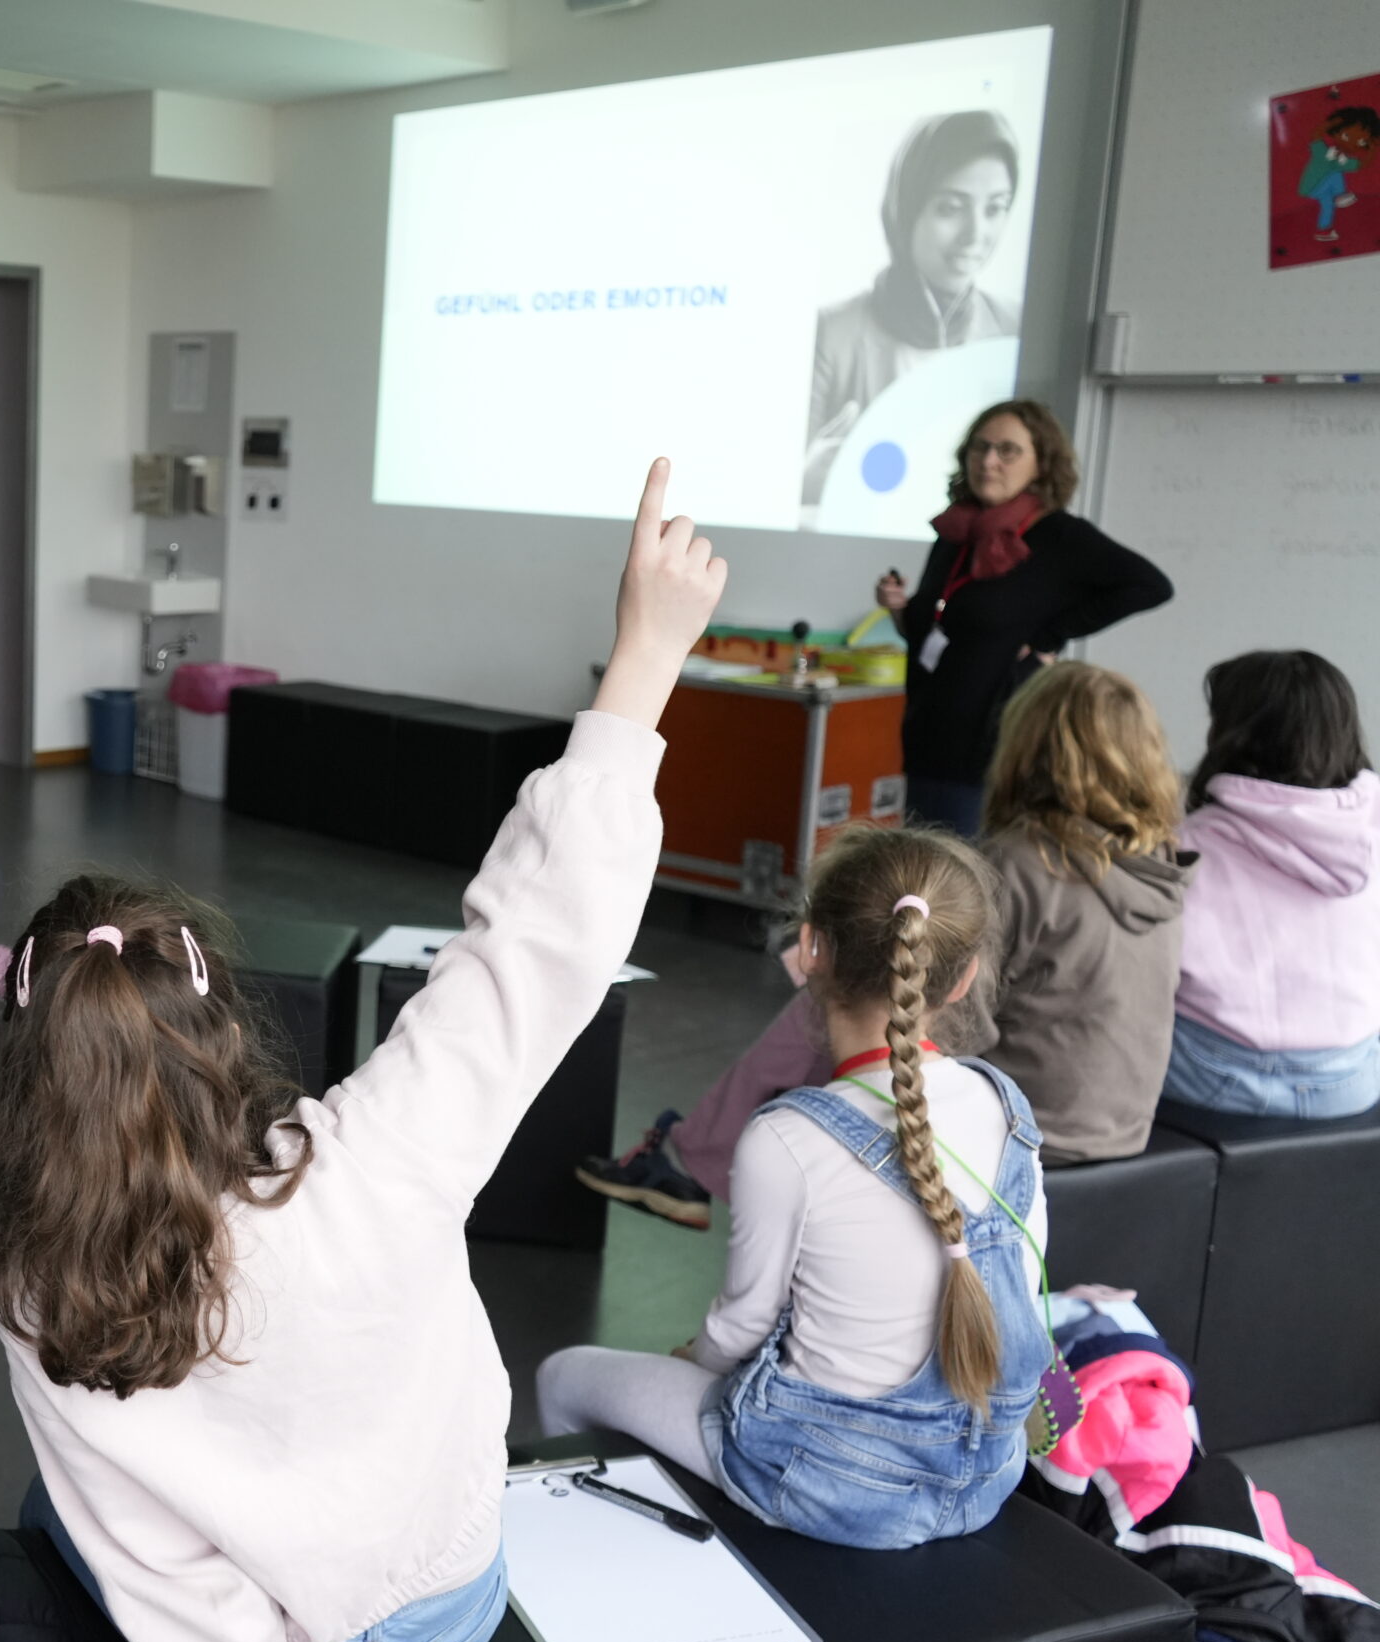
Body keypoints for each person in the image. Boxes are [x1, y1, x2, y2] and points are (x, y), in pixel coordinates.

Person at [0, 461, 725, 1642]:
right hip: (450, 1606)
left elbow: (165, 1589)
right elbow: (534, 945)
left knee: (61, 1504)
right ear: (217, 1029)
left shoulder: (40, 1292)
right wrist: (642, 659)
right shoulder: (375, 1156)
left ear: (32, 1068)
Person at [539, 824, 1053, 1551]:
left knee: (565, 1375)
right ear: (963, 977)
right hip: (985, 1478)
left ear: (809, 949)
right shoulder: (1009, 1108)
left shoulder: (787, 1138)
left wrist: (683, 1362)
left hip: (833, 1485)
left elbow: (738, 1332)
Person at [582, 660, 1186, 1225]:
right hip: (1120, 1125)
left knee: (838, 1000)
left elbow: (959, 1019)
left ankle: (693, 1160)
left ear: (1029, 748)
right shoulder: (1157, 868)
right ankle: (701, 1155)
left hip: (1031, 1127)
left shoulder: (1025, 863)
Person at [875, 399, 1171, 835]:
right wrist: (901, 608)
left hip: (992, 753)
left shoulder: (1059, 536)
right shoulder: (958, 530)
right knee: (924, 882)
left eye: (1007, 450)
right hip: (928, 744)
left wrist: (1053, 635)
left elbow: (1151, 585)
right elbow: (933, 631)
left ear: (1041, 463)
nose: (989, 461)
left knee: (963, 891)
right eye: (979, 448)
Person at [1168, 650, 1380, 1117]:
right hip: (1354, 1077)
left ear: (1235, 734)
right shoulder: (1372, 830)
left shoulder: (1188, 843)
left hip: (1218, 1074)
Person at [805, 111, 1026, 506]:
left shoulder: (1014, 329)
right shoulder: (831, 331)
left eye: (994, 209)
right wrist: (810, 478)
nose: (976, 235)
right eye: (952, 208)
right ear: (905, 211)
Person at [1299, 106, 1376, 243]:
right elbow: (1315, 136)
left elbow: (1360, 165)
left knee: (1327, 205)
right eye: (1346, 136)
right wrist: (1332, 123)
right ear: (1335, 133)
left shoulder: (1343, 160)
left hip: (1325, 192)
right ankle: (1340, 194)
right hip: (1312, 186)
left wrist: (1373, 150)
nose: (1350, 144)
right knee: (1335, 172)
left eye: (1361, 142)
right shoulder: (1321, 152)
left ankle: (1323, 230)